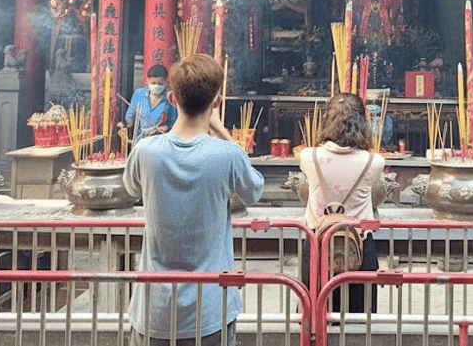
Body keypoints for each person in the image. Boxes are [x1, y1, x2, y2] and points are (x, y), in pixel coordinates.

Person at [123, 55, 265, 346]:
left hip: (154, 310)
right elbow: (254, 191)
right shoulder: (228, 154)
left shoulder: (145, 151)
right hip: (210, 310)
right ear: (217, 102)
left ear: (172, 99)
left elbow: (130, 189)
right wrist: (223, 132)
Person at [298, 93, 385, 313]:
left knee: (316, 315)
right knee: (359, 318)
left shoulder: (309, 157)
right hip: (360, 246)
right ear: (362, 123)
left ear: (326, 120)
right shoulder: (374, 162)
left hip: (318, 244)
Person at [123, 64, 176, 143]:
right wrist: (125, 125)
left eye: (160, 84)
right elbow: (130, 116)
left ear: (165, 81)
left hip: (160, 141)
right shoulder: (139, 93)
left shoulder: (170, 97)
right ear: (148, 80)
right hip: (140, 140)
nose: (156, 86)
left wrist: (166, 128)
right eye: (153, 83)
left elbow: (174, 123)